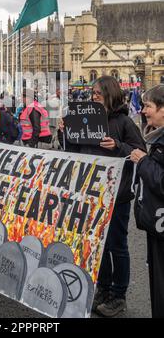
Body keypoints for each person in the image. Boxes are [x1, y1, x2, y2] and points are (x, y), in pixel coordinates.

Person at [58, 75, 146, 317]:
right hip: (92, 193)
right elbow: (72, 151)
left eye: (98, 93)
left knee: (117, 245)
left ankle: (119, 296)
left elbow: (141, 153)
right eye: (92, 93)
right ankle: (103, 289)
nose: (93, 96)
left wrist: (117, 145)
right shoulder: (82, 117)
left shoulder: (125, 122)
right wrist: (63, 133)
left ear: (110, 94)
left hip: (117, 195)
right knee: (99, 243)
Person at [130, 85, 164, 318]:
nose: (143, 111)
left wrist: (143, 162)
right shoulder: (157, 136)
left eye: (148, 106)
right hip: (156, 226)